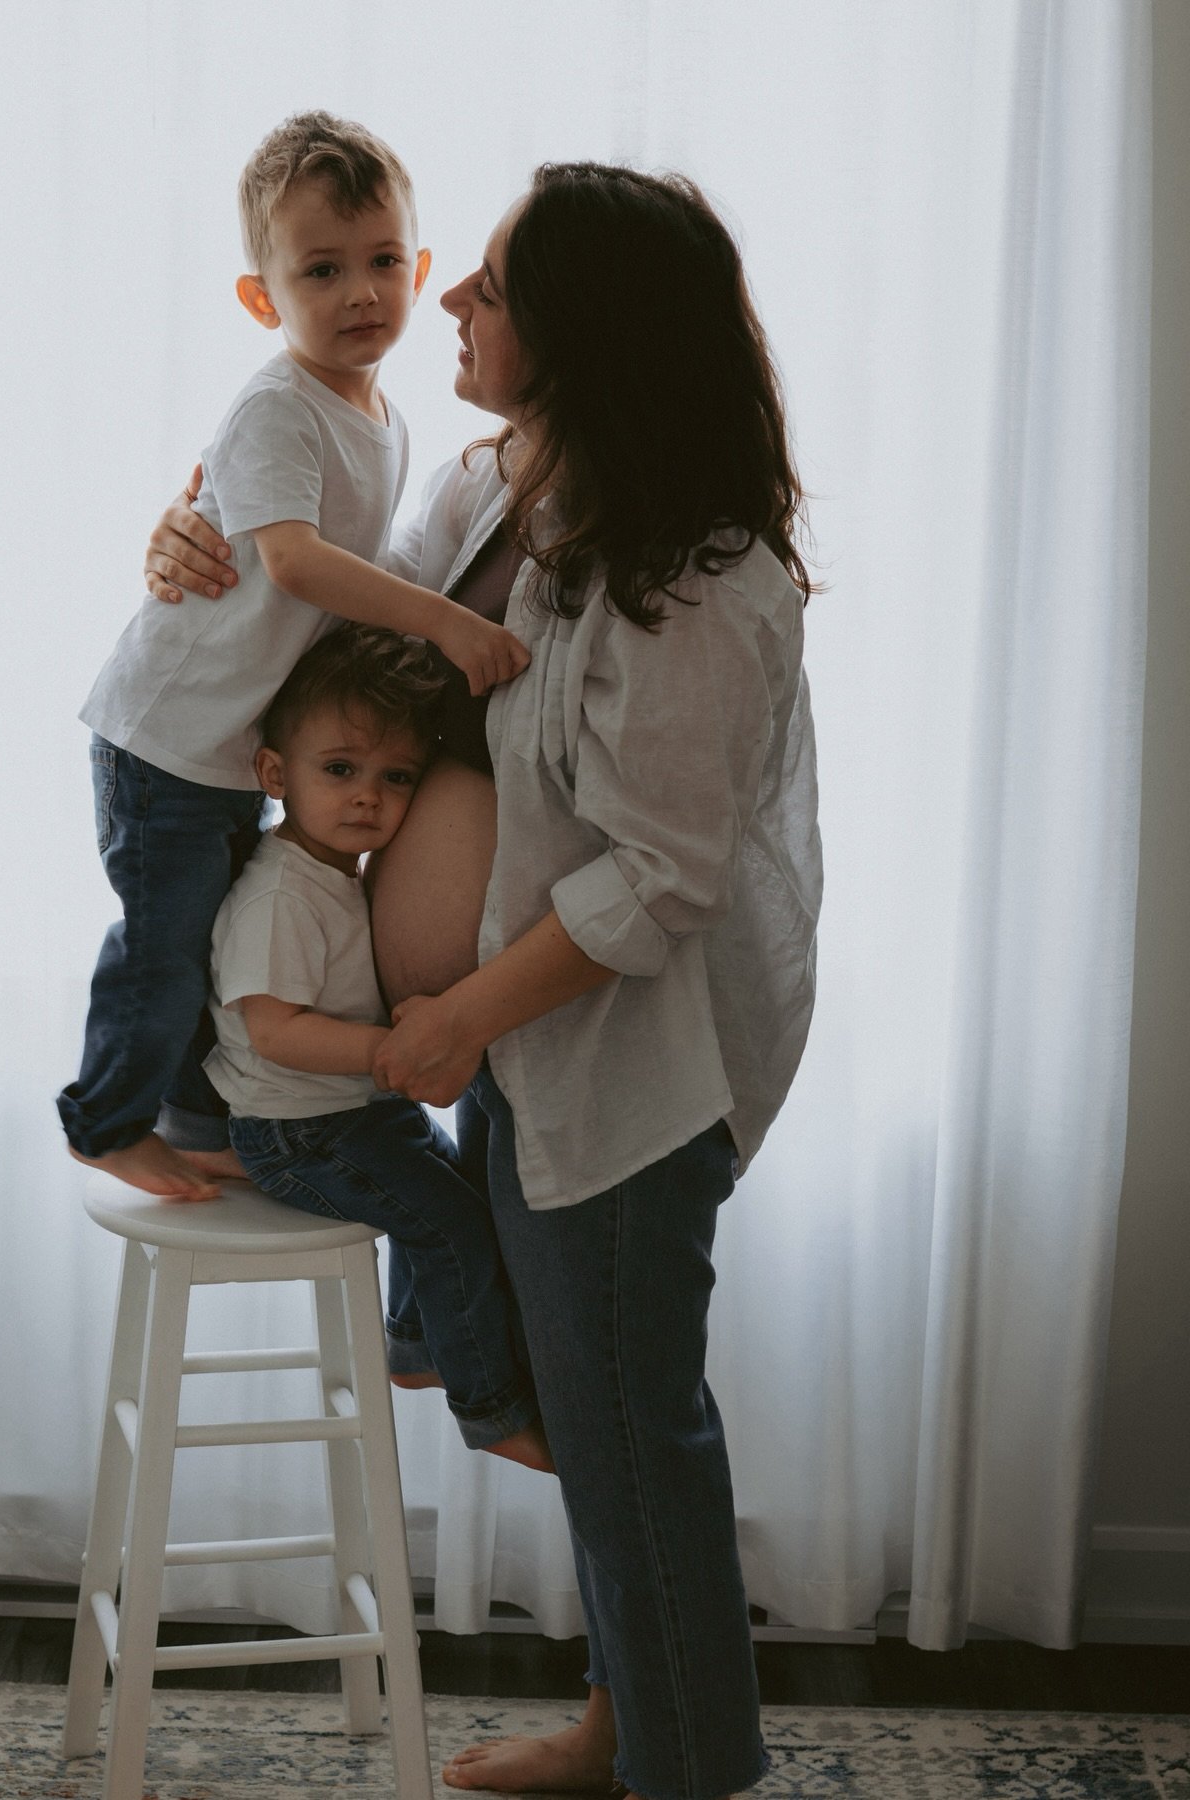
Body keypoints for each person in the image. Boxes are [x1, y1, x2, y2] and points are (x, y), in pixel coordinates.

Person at [143, 162, 822, 1800]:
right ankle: (631, 1730)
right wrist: (196, 539)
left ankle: (679, 1769)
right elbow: (331, 616)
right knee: (594, 1413)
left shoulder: (707, 584)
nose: (447, 301)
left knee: (631, 1424)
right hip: (520, 1042)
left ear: (583, 336)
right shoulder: (497, 488)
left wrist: (450, 1017)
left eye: (493, 286)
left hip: (632, 1060)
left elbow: (664, 880)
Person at [57, 111, 529, 1202]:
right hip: (168, 737)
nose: (361, 293)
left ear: (417, 268)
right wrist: (445, 624)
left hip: (227, 751)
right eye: (322, 271)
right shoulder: (279, 406)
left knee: (208, 942)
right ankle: (105, 1116)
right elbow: (301, 565)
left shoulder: (389, 419)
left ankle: (188, 1113)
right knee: (165, 943)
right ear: (264, 300)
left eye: (379, 264)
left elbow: (352, 574)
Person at [206, 624, 552, 1473]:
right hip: (299, 1131)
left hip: (352, 1116)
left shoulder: (333, 870)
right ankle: (490, 1407)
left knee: (450, 1191)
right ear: (275, 774)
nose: (369, 796)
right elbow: (273, 1030)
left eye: (396, 777)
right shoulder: (280, 895)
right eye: (340, 769)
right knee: (452, 1225)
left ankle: (413, 1342)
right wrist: (387, 1051)